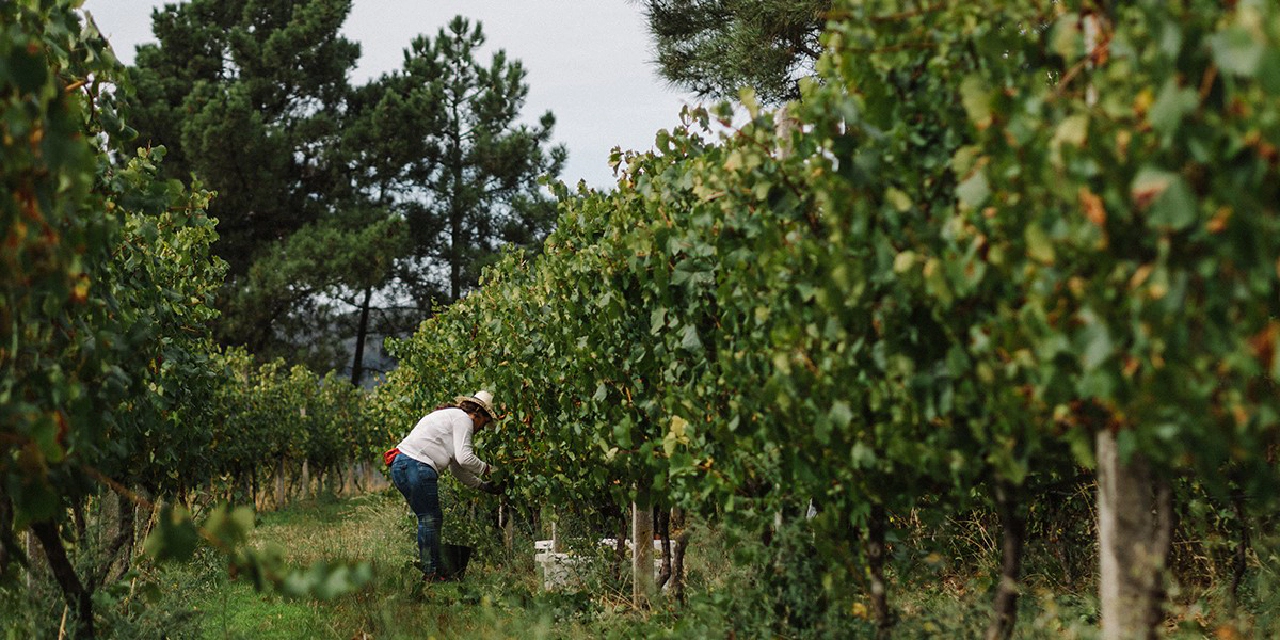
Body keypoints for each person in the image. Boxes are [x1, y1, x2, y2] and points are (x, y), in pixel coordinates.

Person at [388, 390, 502, 581]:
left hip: (401, 465)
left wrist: (482, 486)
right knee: (430, 518)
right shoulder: (463, 419)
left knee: (428, 518)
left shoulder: (450, 417)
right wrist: (490, 470)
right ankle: (431, 573)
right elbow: (465, 459)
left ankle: (431, 570)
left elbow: (457, 468)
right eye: (484, 423)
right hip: (417, 466)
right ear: (478, 414)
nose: (482, 429)